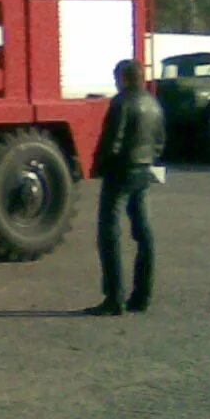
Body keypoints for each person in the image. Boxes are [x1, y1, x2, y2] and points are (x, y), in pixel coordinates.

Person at [87, 59, 165, 316]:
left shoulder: (121, 103)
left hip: (120, 172)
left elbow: (113, 139)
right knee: (143, 233)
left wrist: (99, 164)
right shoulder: (153, 104)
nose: (114, 80)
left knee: (109, 234)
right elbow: (159, 141)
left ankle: (114, 297)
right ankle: (142, 295)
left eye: (116, 76)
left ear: (125, 77)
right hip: (143, 170)